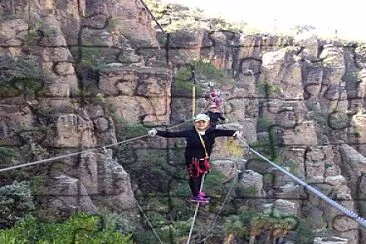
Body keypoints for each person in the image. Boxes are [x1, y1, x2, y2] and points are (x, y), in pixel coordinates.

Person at [148, 113, 242, 203]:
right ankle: (195, 195)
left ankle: (198, 192)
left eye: (203, 122)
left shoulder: (212, 132)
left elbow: (225, 132)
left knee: (201, 175)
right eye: (198, 122)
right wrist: (156, 132)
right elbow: (172, 134)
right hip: (192, 158)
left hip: (204, 158)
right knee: (194, 175)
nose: (201, 124)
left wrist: (235, 133)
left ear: (207, 123)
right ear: (195, 123)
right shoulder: (189, 133)